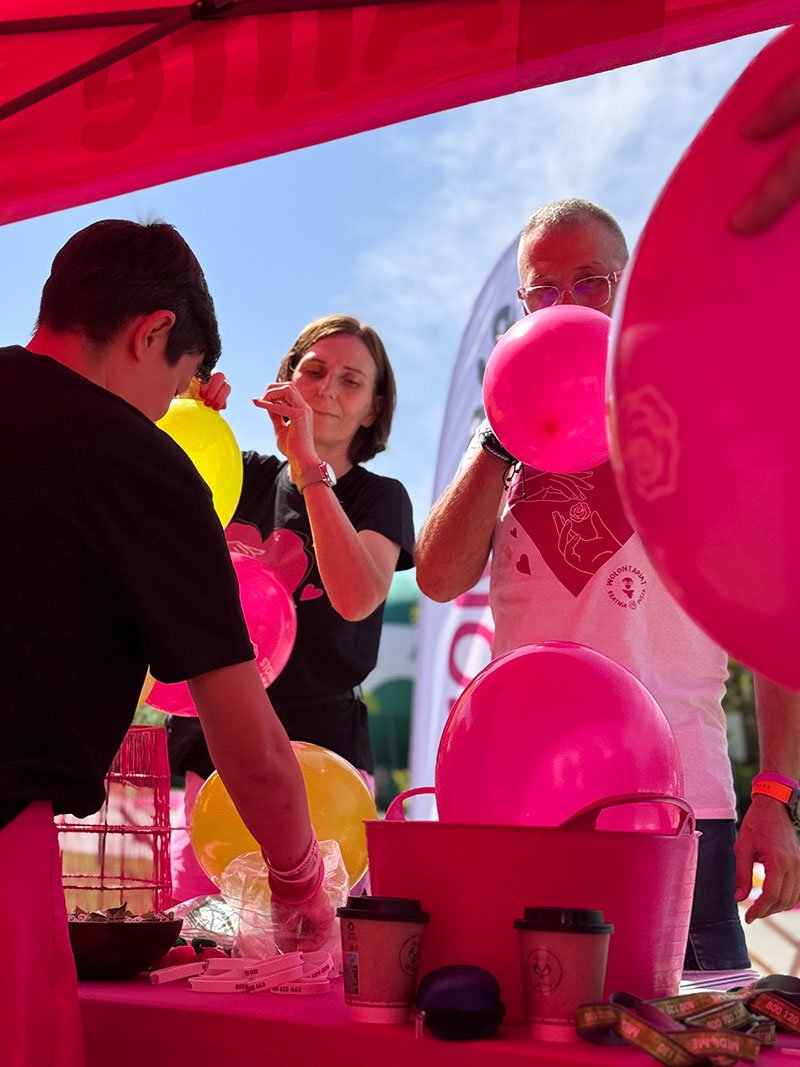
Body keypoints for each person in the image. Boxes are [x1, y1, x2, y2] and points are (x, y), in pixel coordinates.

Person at [415, 197, 800, 972]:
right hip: (527, 807)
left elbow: (771, 622)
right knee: (531, 1026)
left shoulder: (694, 423)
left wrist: (775, 793)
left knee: (689, 1026)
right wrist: (500, 434)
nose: (567, 303)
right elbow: (438, 574)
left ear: (628, 288)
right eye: (544, 289)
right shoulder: (497, 442)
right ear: (522, 304)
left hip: (678, 807)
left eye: (590, 280)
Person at [0, 220, 334, 1067]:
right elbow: (251, 744)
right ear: (152, 332)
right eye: (175, 385)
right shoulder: (137, 461)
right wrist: (300, 886)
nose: (167, 411)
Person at [168, 315, 415, 901]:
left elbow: (356, 599)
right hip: (215, 754)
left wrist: (307, 466)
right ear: (287, 379)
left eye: (351, 381)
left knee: (315, 940)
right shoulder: (240, 472)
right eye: (315, 370)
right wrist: (181, 405)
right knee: (198, 934)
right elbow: (141, 507)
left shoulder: (381, 497)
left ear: (374, 410)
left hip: (323, 765)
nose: (328, 389)